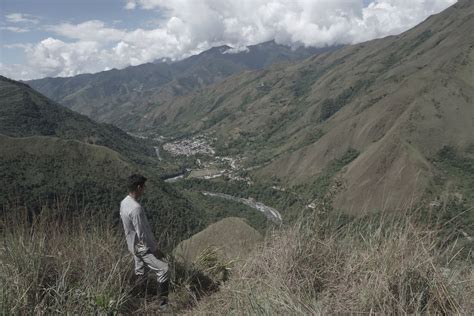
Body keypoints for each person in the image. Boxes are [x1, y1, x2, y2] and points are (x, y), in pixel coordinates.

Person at [120, 174, 169, 309]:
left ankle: (139, 301)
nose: (145, 189)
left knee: (141, 272)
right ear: (138, 187)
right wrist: (154, 250)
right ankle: (163, 305)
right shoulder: (136, 208)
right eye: (144, 187)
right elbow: (142, 234)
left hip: (132, 245)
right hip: (142, 248)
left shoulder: (124, 202)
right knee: (164, 269)